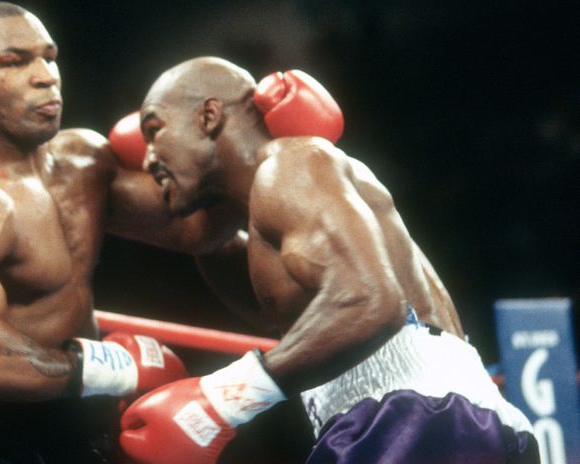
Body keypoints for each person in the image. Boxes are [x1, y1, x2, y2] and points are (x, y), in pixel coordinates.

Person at [118, 57, 540, 463]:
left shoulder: (292, 163)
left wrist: (220, 399)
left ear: (209, 116)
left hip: (411, 417)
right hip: (448, 421)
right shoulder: (275, 213)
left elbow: (369, 303)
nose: (148, 157)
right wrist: (203, 234)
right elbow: (290, 319)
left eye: (155, 130)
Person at [0, 4, 235, 463]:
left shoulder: (83, 163)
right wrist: (115, 368)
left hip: (77, 425)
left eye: (48, 57)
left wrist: (241, 147)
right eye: (14, 61)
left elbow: (198, 229)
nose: (45, 76)